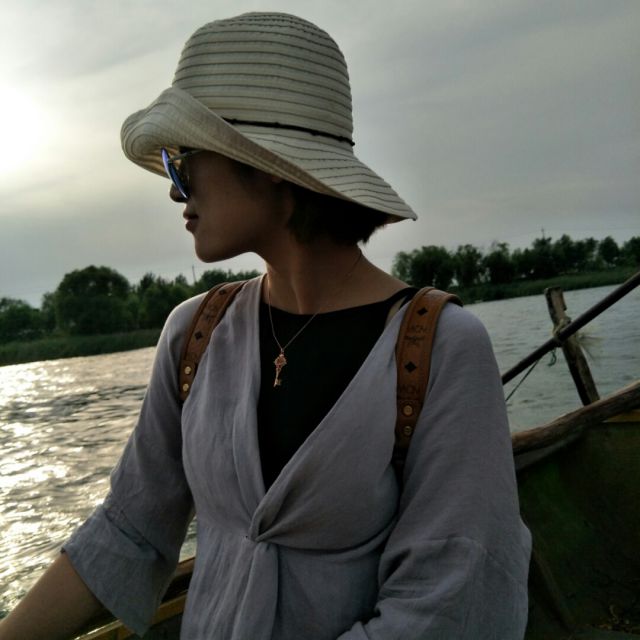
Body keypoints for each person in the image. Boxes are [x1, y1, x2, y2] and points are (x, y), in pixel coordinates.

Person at [0, 12, 531, 640]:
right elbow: (127, 530)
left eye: (182, 160)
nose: (175, 191)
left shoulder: (439, 345)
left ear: (269, 163)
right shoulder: (194, 334)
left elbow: (452, 597)